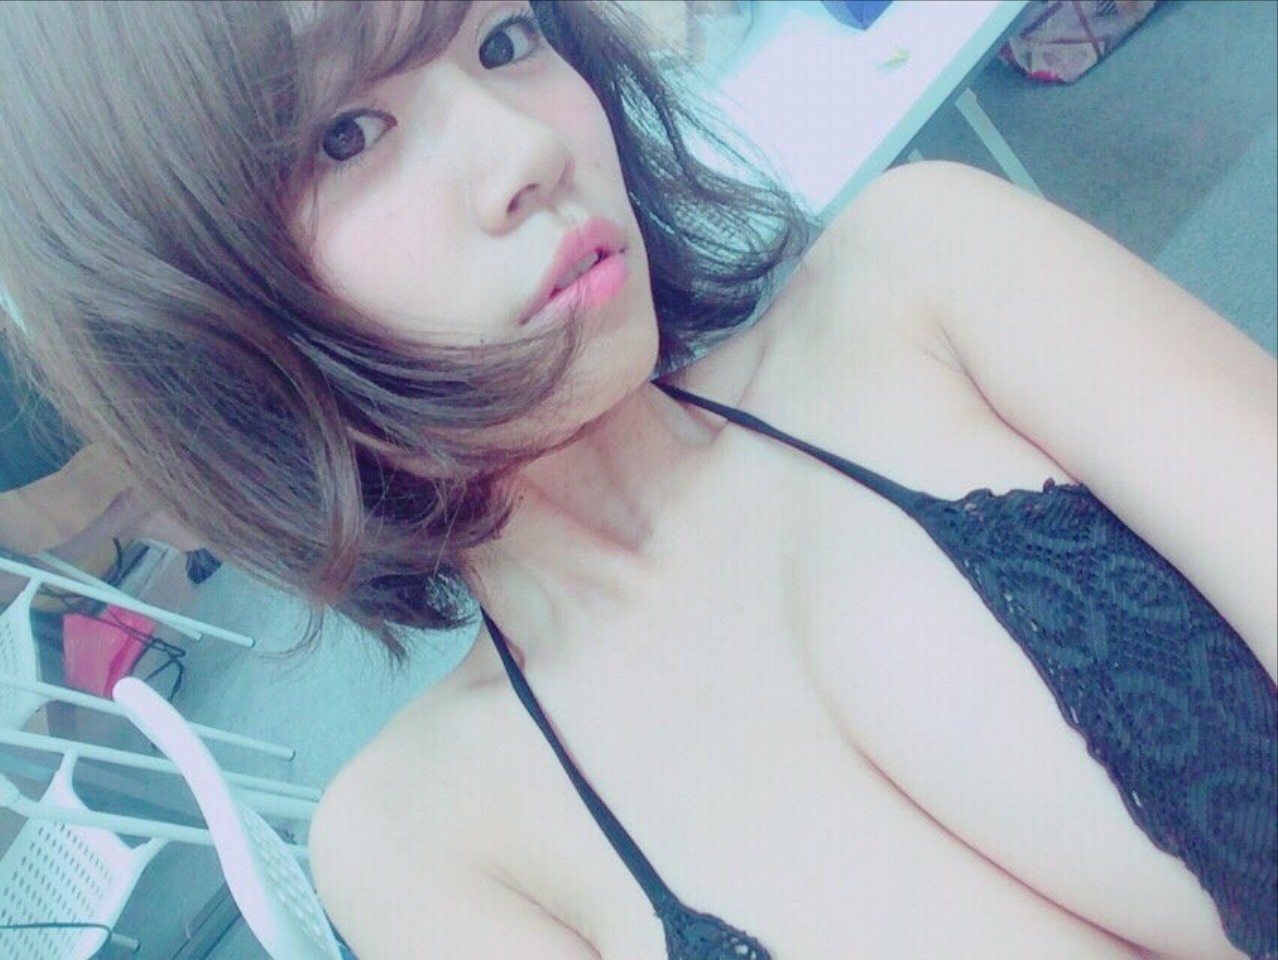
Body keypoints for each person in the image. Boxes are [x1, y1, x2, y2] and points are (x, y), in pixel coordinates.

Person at [0, 2, 1273, 958]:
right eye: (348, 134)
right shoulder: (430, 843)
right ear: (196, 322)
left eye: (504, 41)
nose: (525, 148)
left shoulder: (931, 278)